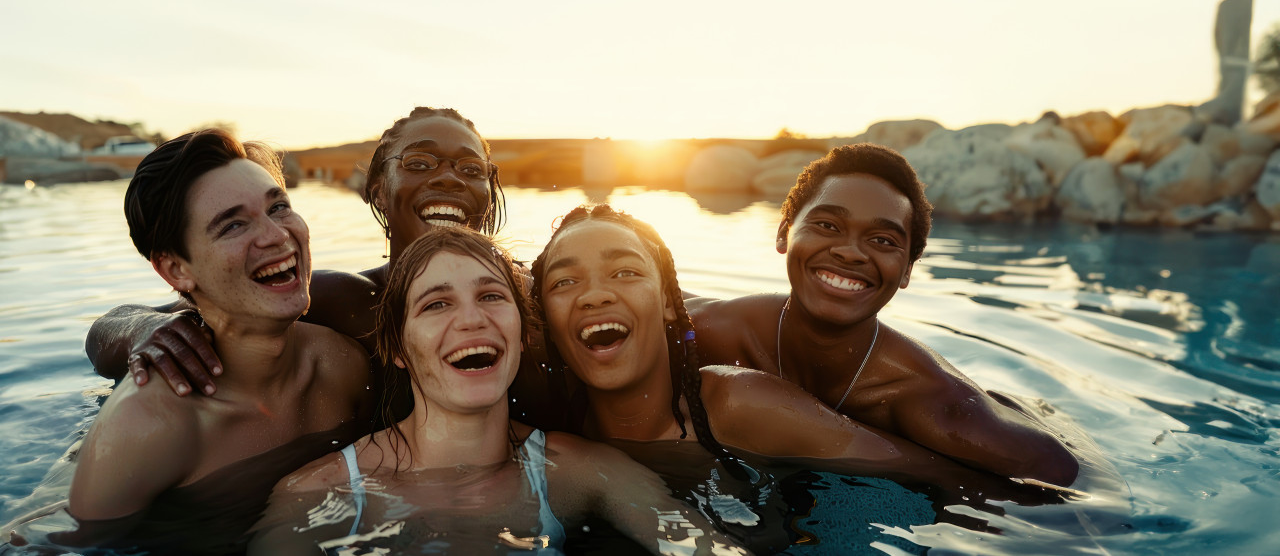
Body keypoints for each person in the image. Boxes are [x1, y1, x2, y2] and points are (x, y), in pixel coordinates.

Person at [250, 227, 745, 555]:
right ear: (398, 348)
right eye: (436, 305)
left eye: (491, 296)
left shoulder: (581, 471)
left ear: (523, 331)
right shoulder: (316, 494)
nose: (472, 319)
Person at [529, 203, 1052, 497]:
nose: (595, 293)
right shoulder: (545, 430)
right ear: (544, 321)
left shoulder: (739, 405)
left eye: (625, 272)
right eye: (564, 282)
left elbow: (944, 479)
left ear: (669, 303)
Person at [80, 107, 554, 423]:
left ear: (490, 193)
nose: (449, 179)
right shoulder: (346, 303)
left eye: (471, 170)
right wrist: (144, 330)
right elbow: (107, 329)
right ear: (377, 191)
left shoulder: (540, 301)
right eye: (420, 162)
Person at [687, 144, 1080, 486]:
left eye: (882, 240)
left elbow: (1074, 486)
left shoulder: (940, 409)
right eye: (827, 225)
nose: (851, 252)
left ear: (907, 269)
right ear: (784, 233)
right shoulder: (713, 330)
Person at [57, 130, 373, 554]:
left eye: (278, 207)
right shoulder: (148, 424)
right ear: (175, 270)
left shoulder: (343, 366)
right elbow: (67, 545)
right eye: (234, 224)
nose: (277, 236)